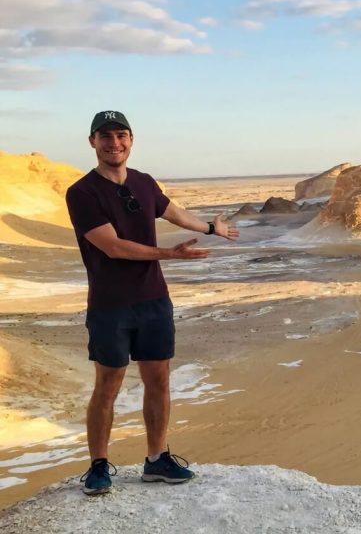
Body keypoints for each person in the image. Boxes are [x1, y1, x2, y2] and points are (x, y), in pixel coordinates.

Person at [65, 110, 240, 495]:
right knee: (108, 384)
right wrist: (171, 255)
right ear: (92, 142)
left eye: (121, 135)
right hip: (111, 305)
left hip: (154, 301)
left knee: (158, 379)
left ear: (131, 140)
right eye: (105, 136)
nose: (115, 143)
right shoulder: (82, 192)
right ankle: (98, 466)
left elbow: (170, 210)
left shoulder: (144, 182)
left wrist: (211, 228)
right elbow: (113, 246)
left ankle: (156, 459)